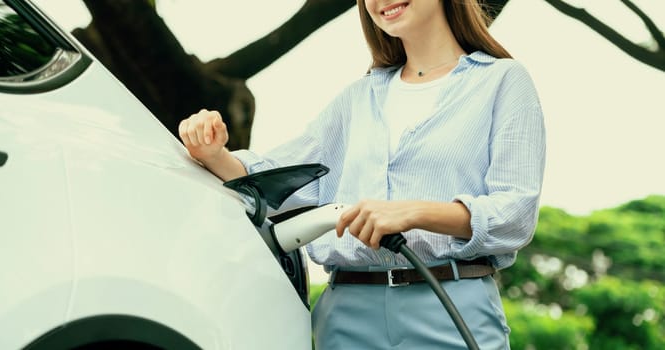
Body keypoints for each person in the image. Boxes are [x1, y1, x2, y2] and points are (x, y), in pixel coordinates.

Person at [178, 0, 546, 348]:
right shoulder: (357, 98)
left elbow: (515, 214)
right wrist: (213, 154)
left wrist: (414, 211)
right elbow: (274, 184)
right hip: (348, 313)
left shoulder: (501, 81)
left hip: (450, 304)